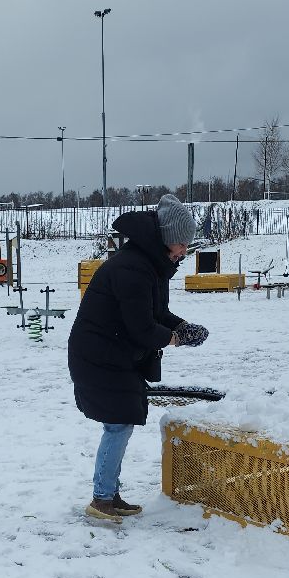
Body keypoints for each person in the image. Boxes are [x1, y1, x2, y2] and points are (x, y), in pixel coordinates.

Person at [68, 194, 209, 522]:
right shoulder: (133, 268)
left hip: (112, 355)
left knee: (121, 422)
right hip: (99, 357)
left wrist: (182, 326)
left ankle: (109, 494)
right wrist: (175, 338)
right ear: (166, 239)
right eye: (180, 244)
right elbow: (142, 327)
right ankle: (101, 499)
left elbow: (156, 312)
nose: (183, 252)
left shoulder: (150, 265)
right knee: (118, 424)